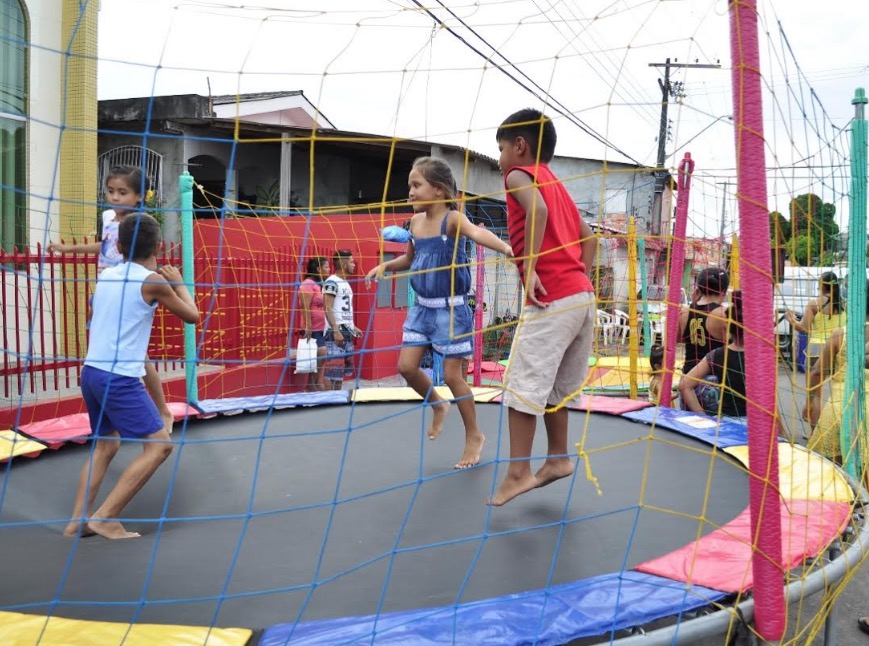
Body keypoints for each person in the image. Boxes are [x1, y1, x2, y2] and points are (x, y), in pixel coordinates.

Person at [365, 156, 513, 469]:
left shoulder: (453, 220)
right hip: (422, 309)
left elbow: (478, 234)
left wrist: (507, 249)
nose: (410, 191)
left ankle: (474, 434)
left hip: (451, 309)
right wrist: (386, 266)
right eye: (410, 186)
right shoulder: (414, 223)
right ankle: (437, 404)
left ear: (438, 190)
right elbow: (410, 260)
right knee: (406, 367)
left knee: (451, 375)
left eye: (416, 185)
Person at [64, 214, 199, 539]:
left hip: (91, 373)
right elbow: (192, 316)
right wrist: (178, 281)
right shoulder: (153, 281)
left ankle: (76, 522)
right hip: (118, 378)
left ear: (119, 245)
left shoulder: (108, 275)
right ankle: (105, 517)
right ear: (158, 247)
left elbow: (96, 314)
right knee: (159, 448)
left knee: (105, 446)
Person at [487, 108, 597, 506]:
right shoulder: (557, 184)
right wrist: (575, 275)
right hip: (582, 298)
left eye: (500, 148)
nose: (499, 158)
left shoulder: (518, 174)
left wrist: (531, 266)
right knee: (556, 389)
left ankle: (518, 472)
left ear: (520, 146)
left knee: (521, 385)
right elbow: (590, 239)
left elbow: (537, 211)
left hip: (552, 300)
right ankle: (558, 457)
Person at [48, 166, 175, 435]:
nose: (115, 198)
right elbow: (104, 246)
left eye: (122, 192)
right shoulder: (108, 217)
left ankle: (162, 409)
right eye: (111, 191)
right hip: (106, 288)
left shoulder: (140, 224)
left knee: (140, 356)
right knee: (115, 348)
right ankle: (125, 407)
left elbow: (148, 257)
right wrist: (69, 249)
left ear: (139, 196)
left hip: (129, 291)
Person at [802, 284, 869, 466]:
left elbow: (816, 373)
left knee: (835, 469)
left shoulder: (841, 334)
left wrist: (811, 400)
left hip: (841, 408)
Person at [679, 291, 747, 420]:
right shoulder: (760, 358)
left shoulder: (717, 355)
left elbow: (685, 385)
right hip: (755, 425)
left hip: (726, 423)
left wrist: (702, 417)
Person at [785, 271, 846, 382]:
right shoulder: (844, 304)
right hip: (837, 350)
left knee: (813, 394)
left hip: (816, 350)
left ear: (822, 285)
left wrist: (790, 319)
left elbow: (804, 328)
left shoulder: (814, 304)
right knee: (836, 387)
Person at [677, 267, 730, 375]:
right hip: (713, 379)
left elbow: (679, 339)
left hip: (688, 375)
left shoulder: (684, 311)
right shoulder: (723, 314)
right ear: (724, 291)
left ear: (699, 288)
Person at [323, 250, 362, 390]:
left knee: (340, 375)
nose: (354, 265)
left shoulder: (345, 283)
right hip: (335, 332)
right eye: (351, 262)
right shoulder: (332, 282)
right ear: (344, 264)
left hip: (346, 331)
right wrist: (335, 329)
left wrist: (353, 326)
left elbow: (344, 308)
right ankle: (328, 403)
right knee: (332, 372)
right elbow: (328, 307)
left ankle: (336, 401)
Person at [298, 256, 330, 391]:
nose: (329, 270)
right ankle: (313, 383)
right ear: (318, 269)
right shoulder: (307, 284)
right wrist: (308, 326)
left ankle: (316, 383)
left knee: (321, 355)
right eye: (326, 267)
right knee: (321, 353)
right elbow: (305, 306)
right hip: (312, 328)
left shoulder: (319, 284)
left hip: (322, 327)